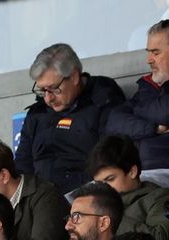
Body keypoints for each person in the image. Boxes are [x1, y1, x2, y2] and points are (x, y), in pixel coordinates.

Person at [16, 43, 124, 194]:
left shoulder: (103, 99)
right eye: (42, 90)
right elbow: (22, 165)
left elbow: (111, 159)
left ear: (74, 77)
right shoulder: (37, 113)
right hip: (40, 201)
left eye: (54, 89)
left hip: (86, 196)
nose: (48, 98)